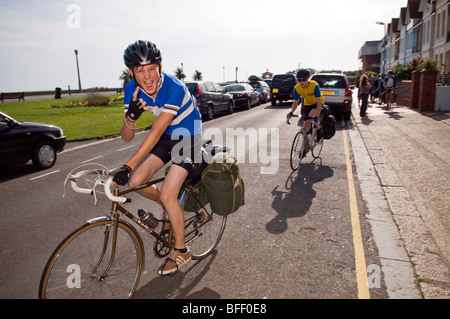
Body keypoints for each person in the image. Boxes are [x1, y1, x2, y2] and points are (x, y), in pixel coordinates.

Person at [112, 40, 202, 276]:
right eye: (140, 71)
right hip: (168, 135)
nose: (147, 76)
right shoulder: (132, 89)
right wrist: (130, 118)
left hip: (188, 134)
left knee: (166, 192)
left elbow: (156, 131)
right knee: (135, 182)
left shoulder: (174, 87)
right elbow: (126, 137)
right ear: (131, 72)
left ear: (160, 66)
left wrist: (127, 165)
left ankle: (181, 250)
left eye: (151, 68)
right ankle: (172, 210)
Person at [287, 69, 324, 154]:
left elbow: (319, 102)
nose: (301, 82)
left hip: (317, 103)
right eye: (299, 80)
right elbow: (296, 102)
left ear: (308, 79)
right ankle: (305, 147)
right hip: (307, 104)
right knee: (306, 127)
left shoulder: (314, 85)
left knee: (312, 118)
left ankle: (319, 131)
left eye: (303, 80)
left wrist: (317, 117)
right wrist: (291, 112)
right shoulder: (297, 88)